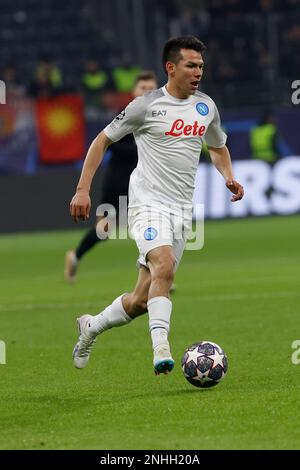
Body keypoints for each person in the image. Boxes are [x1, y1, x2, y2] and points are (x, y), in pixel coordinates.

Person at [70, 36, 244, 375]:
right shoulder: (146, 106)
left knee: (140, 301)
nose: (198, 73)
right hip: (147, 205)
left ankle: (90, 326)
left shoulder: (206, 107)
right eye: (191, 66)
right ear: (171, 67)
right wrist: (82, 190)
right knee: (164, 265)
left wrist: (228, 176)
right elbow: (101, 139)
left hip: (181, 211)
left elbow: (218, 146)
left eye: (201, 67)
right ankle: (160, 348)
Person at [64, 71, 158, 283]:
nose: (147, 92)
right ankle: (75, 256)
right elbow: (111, 146)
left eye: (151, 89)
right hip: (118, 181)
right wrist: (139, 148)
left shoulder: (160, 117)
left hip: (144, 183)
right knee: (103, 230)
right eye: (143, 88)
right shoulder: (125, 114)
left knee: (151, 225)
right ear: (134, 91)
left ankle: (157, 273)